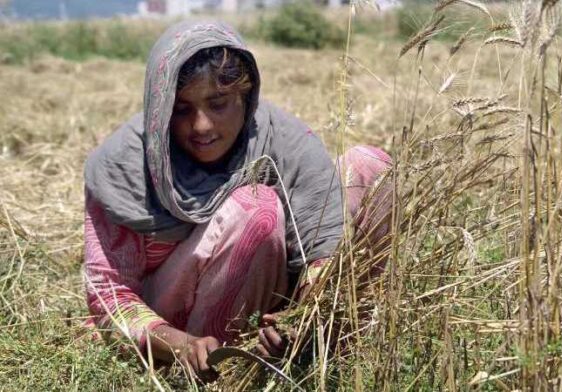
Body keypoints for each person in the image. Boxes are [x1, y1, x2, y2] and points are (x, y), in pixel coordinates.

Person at [82, 20, 392, 378]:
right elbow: (108, 295)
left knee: (370, 168)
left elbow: (324, 248)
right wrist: (178, 343)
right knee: (256, 208)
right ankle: (224, 367)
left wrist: (300, 315)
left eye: (218, 103)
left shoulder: (282, 140)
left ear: (246, 96)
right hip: (175, 330)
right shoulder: (124, 167)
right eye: (181, 110)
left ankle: (327, 344)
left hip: (269, 301)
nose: (201, 127)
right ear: (160, 106)